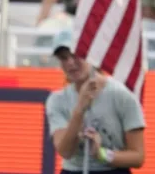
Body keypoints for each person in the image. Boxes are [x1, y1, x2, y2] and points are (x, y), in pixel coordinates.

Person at [45, 29, 146, 174]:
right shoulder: (57, 100)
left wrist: (102, 154)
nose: (70, 63)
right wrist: (79, 109)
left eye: (76, 55)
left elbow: (138, 156)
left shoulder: (122, 95)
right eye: (63, 58)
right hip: (73, 170)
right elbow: (65, 151)